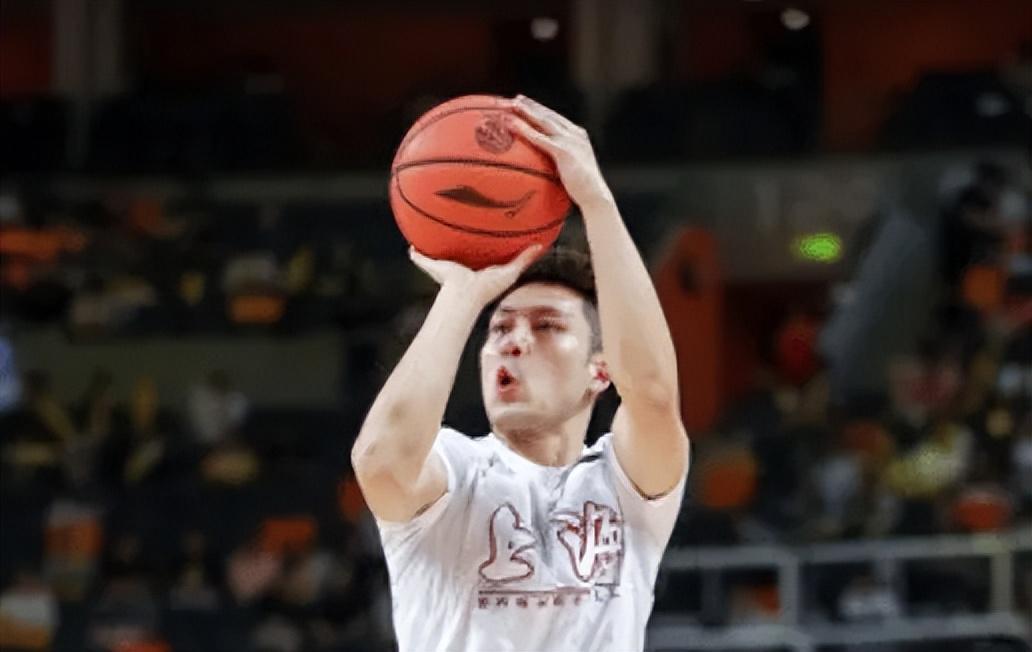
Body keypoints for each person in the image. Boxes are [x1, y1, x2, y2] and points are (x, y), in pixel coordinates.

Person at [351, 95, 690, 652]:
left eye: (547, 326)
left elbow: (652, 392)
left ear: (600, 371)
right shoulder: (456, 470)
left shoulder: (625, 484)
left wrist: (597, 202)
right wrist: (462, 295)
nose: (513, 340)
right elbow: (380, 463)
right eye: (500, 327)